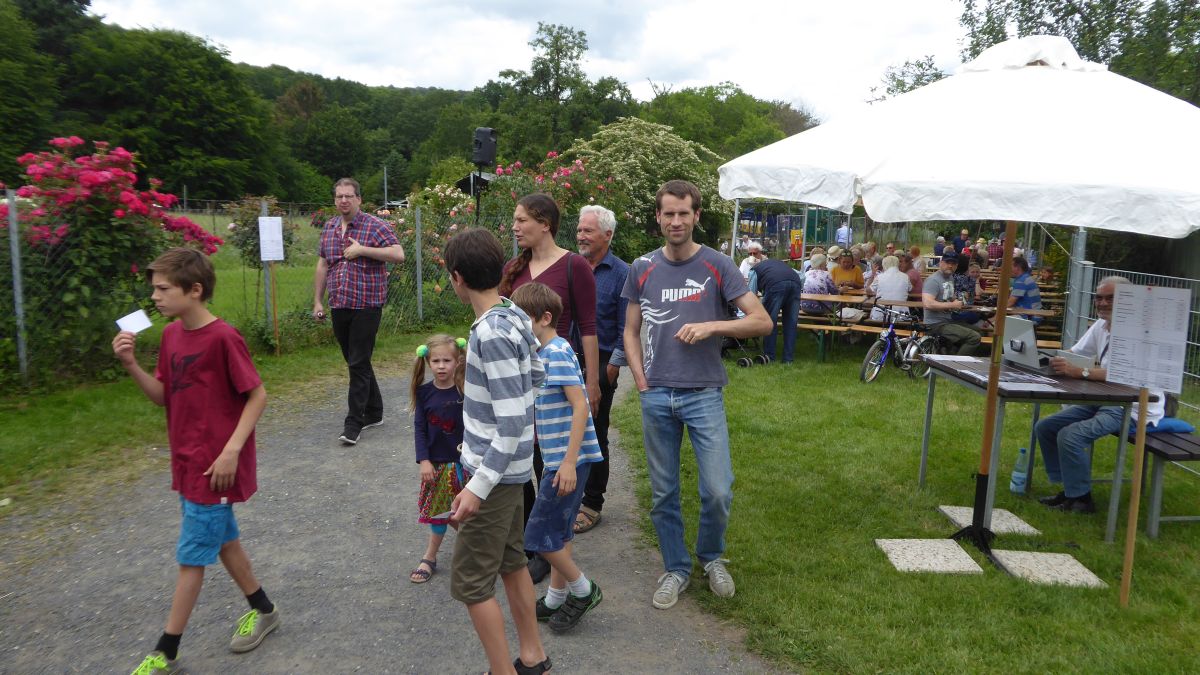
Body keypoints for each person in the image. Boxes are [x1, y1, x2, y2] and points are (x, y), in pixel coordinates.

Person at [113, 248, 278, 674]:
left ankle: (165, 652)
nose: (155, 297)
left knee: (191, 557)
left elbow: (257, 395)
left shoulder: (224, 338)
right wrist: (130, 364)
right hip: (187, 462)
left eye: (163, 289)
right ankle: (265, 610)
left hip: (215, 469)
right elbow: (162, 397)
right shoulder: (171, 336)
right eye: (154, 289)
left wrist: (231, 451)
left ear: (195, 290)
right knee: (223, 541)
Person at [622, 180, 772, 610]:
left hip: (703, 393)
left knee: (718, 489)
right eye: (668, 213)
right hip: (657, 395)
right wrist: (641, 380)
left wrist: (712, 326)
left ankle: (710, 557)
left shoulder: (717, 265)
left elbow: (762, 321)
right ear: (658, 217)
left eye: (683, 213)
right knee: (664, 492)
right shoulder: (642, 267)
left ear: (696, 216)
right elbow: (630, 330)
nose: (676, 221)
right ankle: (676, 567)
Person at [443, 227, 551, 675]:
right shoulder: (513, 312)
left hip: (494, 477)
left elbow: (510, 423)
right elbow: (538, 375)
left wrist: (477, 487)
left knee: (471, 583)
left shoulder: (490, 333)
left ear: (457, 277)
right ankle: (533, 656)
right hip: (512, 472)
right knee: (512, 564)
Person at [499, 194, 599, 583]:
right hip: (519, 379)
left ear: (545, 223)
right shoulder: (513, 269)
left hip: (558, 377)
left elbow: (587, 326)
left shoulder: (574, 265)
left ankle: (547, 547)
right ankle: (532, 540)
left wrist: (592, 382)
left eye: (521, 220)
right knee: (520, 459)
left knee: (551, 459)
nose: (515, 227)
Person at [511, 283, 605, 633]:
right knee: (559, 533)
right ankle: (555, 598)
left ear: (544, 318)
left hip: (568, 461)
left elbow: (580, 405)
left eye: (523, 320)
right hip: (559, 459)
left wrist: (567, 462)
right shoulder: (544, 352)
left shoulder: (557, 353)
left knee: (537, 537)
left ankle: (583, 590)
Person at [1036, 276, 1165, 514]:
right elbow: (1075, 353)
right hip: (1106, 399)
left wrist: (1078, 371)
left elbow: (1122, 374)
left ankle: (1082, 500)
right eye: (1099, 298)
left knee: (1070, 436)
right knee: (1046, 427)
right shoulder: (1102, 325)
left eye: (1110, 298)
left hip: (1134, 407)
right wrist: (1048, 359)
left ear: (1129, 300)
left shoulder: (1141, 332)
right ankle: (1070, 489)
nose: (1103, 303)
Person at [313, 177, 406, 446]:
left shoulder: (375, 225)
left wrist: (362, 250)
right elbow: (323, 265)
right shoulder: (330, 227)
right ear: (335, 200)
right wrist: (318, 301)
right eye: (339, 196)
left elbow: (398, 254)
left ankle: (354, 423)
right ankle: (374, 411)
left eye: (349, 196)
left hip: (367, 305)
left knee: (357, 362)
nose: (344, 200)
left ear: (359, 199)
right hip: (339, 304)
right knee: (357, 360)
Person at [574, 205, 629, 535]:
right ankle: (567, 495)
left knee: (594, 433)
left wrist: (611, 368)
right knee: (564, 431)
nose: (580, 236)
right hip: (567, 360)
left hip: (602, 363)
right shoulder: (571, 266)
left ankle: (592, 503)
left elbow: (627, 326)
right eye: (579, 230)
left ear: (607, 235)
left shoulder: (622, 273)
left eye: (588, 231)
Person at [408, 334, 467, 584]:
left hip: (465, 465)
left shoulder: (466, 391)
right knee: (440, 512)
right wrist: (424, 460)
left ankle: (479, 546)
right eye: (436, 361)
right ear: (428, 362)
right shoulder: (424, 393)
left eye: (446, 360)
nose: (441, 366)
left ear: (458, 361)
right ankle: (430, 557)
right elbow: (420, 429)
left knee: (462, 511)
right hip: (437, 466)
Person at [921, 253, 984, 355]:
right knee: (974, 337)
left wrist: (959, 299)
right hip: (934, 324)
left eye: (953, 263)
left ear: (957, 266)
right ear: (941, 263)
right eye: (947, 262)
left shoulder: (950, 278)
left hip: (948, 320)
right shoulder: (933, 280)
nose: (950, 266)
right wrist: (953, 305)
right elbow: (928, 304)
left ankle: (951, 352)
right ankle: (954, 362)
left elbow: (950, 297)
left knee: (979, 331)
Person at [750, 256, 804, 363]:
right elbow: (802, 276)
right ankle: (788, 359)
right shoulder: (780, 264)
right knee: (791, 323)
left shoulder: (754, 270)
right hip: (795, 283)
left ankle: (769, 356)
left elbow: (751, 294)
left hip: (775, 285)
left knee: (769, 321)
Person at [868, 255, 911, 320]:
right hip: (901, 315)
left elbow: (868, 290)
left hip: (881, 314)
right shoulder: (905, 277)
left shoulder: (879, 277)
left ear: (884, 265)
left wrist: (873, 274)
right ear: (897, 264)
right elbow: (910, 289)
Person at [1008, 255, 1043, 323]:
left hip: (1029, 317)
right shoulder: (1026, 277)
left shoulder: (1021, 281)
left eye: (1011, 266)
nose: (1009, 269)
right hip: (1034, 314)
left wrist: (994, 317)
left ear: (1018, 268)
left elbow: (1010, 303)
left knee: (996, 324)